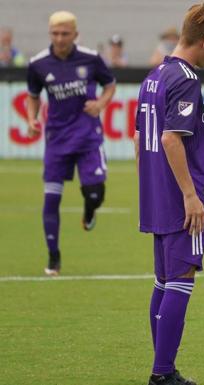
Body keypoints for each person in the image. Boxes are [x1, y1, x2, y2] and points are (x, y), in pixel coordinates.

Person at [134, 3, 204, 385]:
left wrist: (151, 186)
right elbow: (170, 137)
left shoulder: (155, 75)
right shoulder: (186, 78)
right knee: (181, 279)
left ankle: (163, 370)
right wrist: (191, 197)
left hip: (158, 195)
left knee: (164, 280)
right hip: (183, 200)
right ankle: (163, 374)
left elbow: (139, 138)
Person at [26, 11, 116, 276]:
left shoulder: (90, 59)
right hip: (57, 140)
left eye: (65, 33)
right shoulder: (38, 64)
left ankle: (89, 211)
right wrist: (32, 119)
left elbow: (110, 85)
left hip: (88, 138)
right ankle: (54, 257)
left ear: (75, 35)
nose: (60, 38)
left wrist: (100, 104)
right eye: (55, 33)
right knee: (51, 200)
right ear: (50, 34)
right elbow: (33, 95)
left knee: (95, 195)